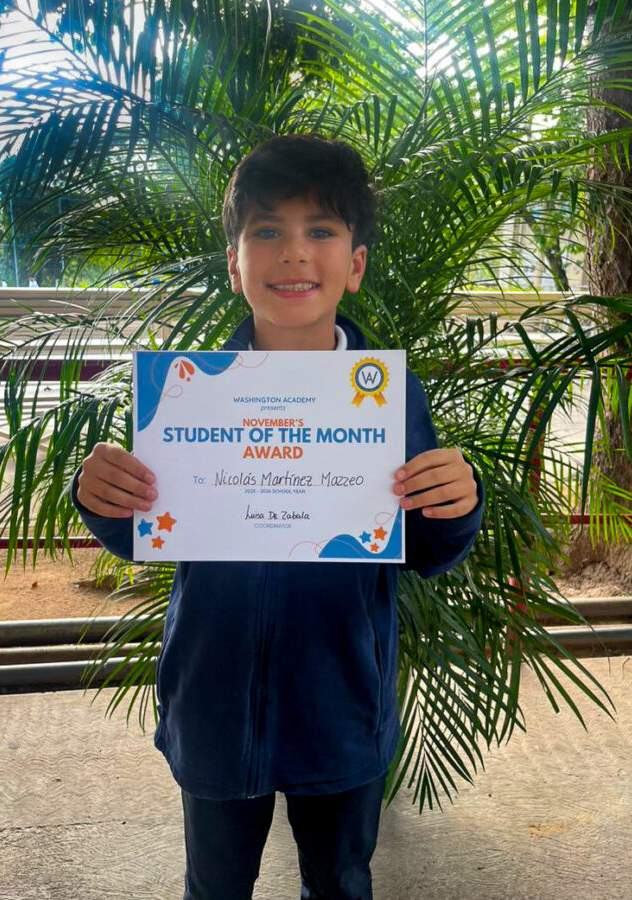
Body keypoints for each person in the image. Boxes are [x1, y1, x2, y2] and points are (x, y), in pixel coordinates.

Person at [67, 133, 484, 900]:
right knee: (214, 887)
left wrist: (459, 502)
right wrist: (100, 495)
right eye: (267, 231)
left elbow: (425, 545)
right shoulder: (186, 395)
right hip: (215, 706)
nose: (294, 253)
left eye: (320, 230)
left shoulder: (391, 398)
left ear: (354, 264)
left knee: (340, 884)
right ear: (235, 266)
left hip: (340, 707)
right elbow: (147, 527)